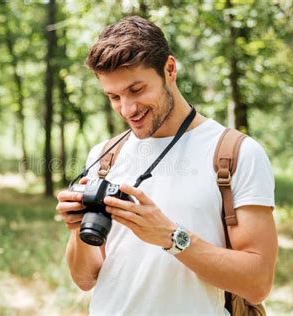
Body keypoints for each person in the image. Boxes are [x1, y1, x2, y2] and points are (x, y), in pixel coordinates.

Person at [56, 16, 277, 315]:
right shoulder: (106, 155)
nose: (127, 109)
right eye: (114, 97)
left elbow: (258, 282)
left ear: (169, 69)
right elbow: (84, 279)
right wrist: (77, 228)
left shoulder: (236, 153)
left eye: (136, 90)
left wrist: (170, 237)